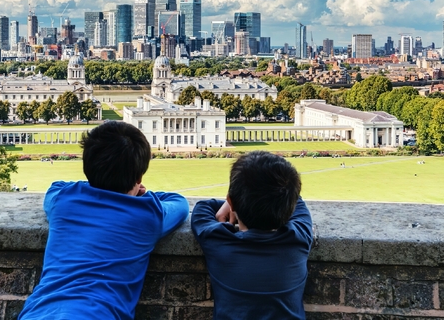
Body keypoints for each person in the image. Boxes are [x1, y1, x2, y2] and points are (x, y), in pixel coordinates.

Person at [18, 121, 189, 320]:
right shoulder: (147, 214)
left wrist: (93, 185)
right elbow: (179, 204)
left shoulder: (63, 201)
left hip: (40, 312)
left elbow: (56, 187)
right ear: (139, 177)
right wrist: (138, 195)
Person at [191, 151, 313, 320]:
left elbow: (202, 208)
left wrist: (234, 203)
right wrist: (235, 202)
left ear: (232, 202)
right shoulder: (299, 238)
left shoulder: (217, 241)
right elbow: (296, 200)